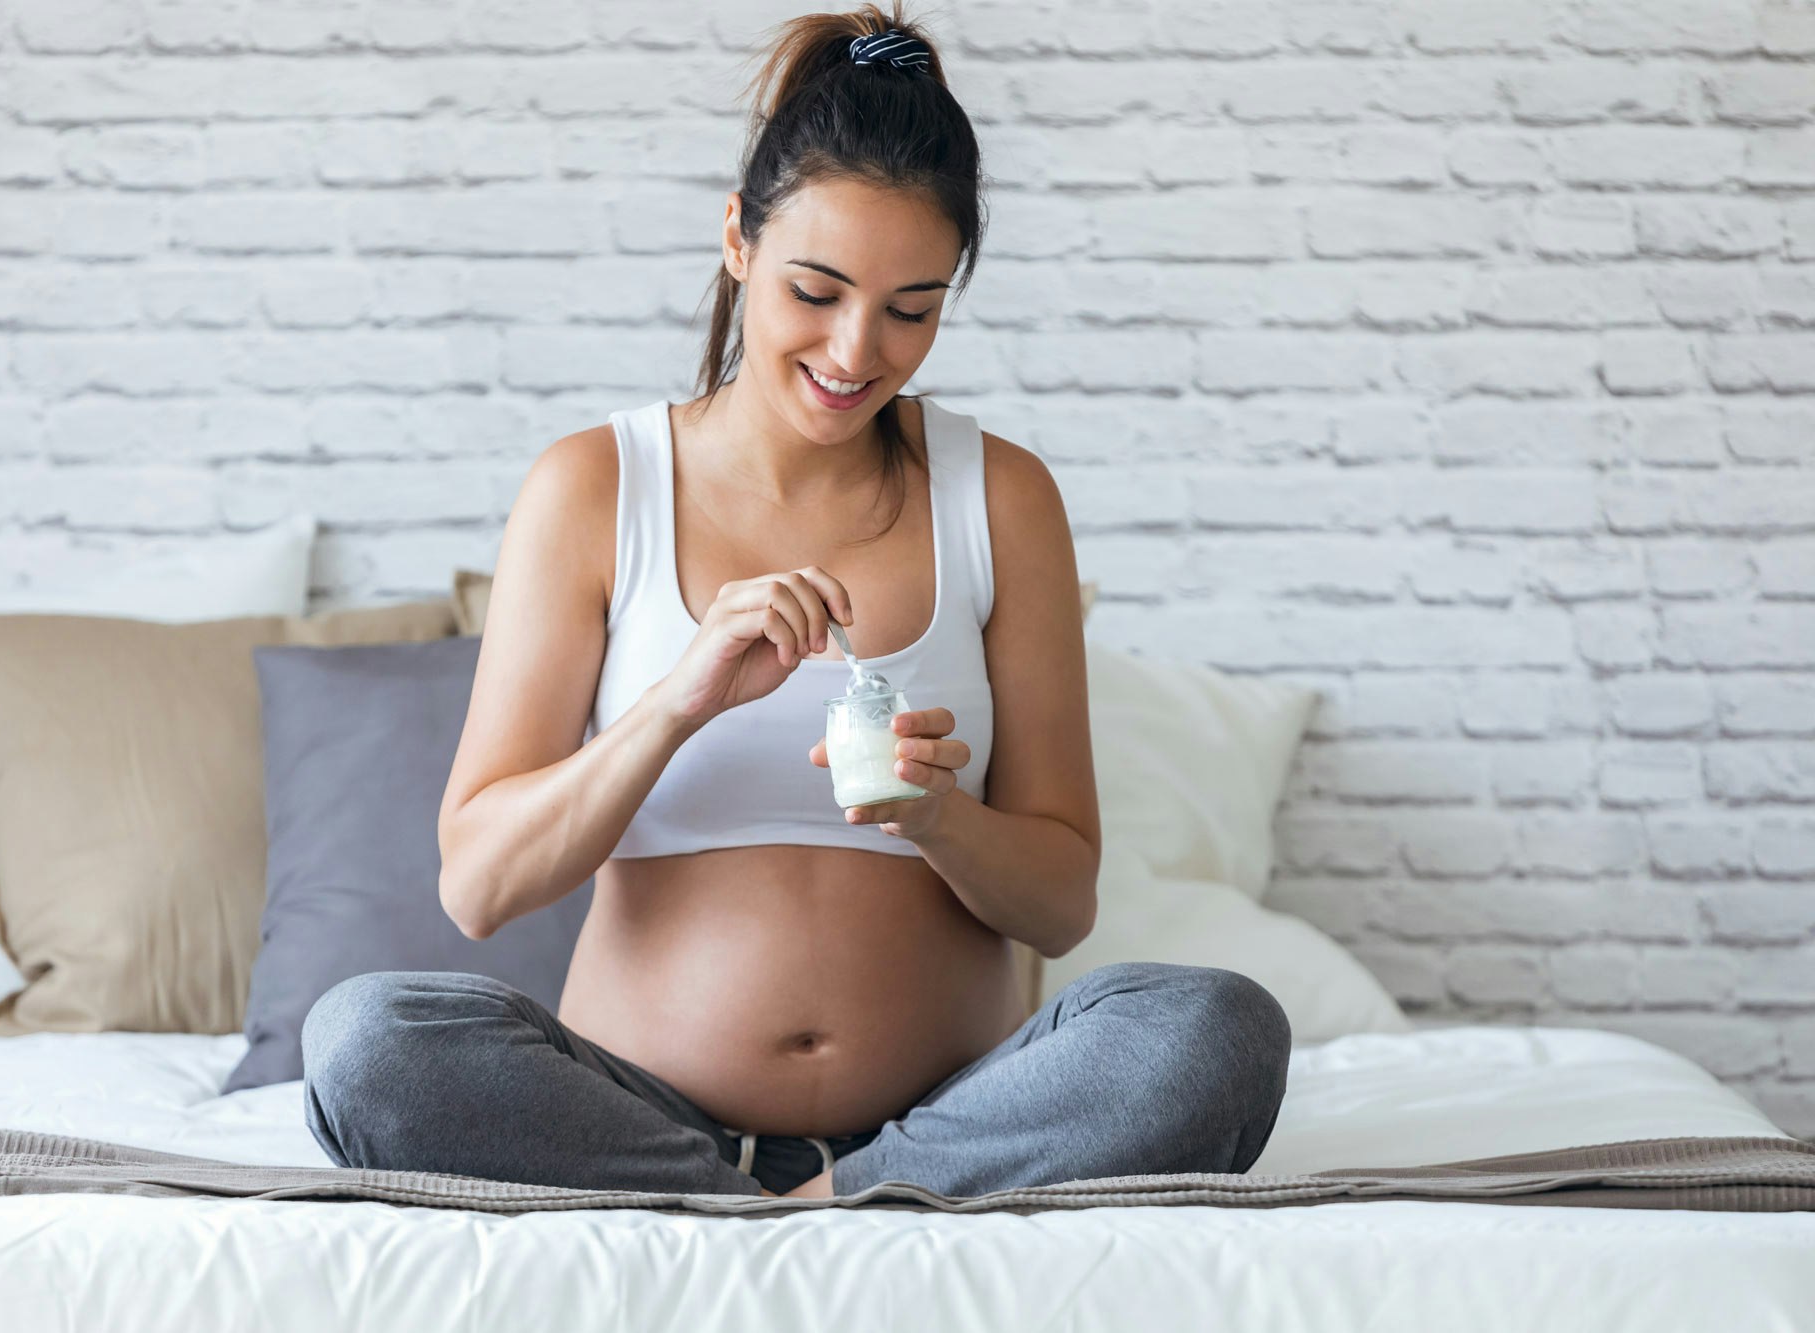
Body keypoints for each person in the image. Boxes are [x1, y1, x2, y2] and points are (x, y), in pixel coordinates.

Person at [301, 3, 1292, 1200]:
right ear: (737, 239)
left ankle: (840, 1193)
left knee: (1215, 1029)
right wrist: (676, 702)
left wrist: (940, 817)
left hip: (950, 1111)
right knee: (366, 1042)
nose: (855, 351)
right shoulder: (594, 486)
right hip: (639, 1107)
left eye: (910, 309)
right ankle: (757, 1193)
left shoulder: (1002, 496)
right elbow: (477, 887)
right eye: (814, 291)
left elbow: (1060, 907)